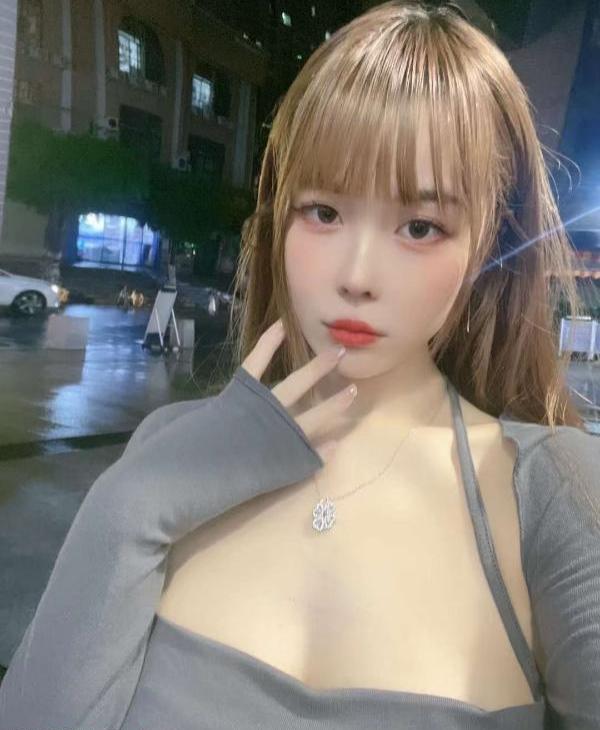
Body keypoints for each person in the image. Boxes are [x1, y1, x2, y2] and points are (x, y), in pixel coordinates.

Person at [1, 2, 599, 729]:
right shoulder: (172, 450)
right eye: (323, 212)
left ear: (487, 246)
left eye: (420, 226)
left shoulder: (551, 490)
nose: (356, 275)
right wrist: (130, 505)